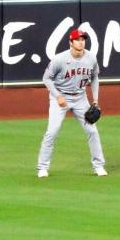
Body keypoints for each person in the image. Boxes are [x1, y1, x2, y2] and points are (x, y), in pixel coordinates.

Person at [36, 28, 105, 178]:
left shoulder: (91, 58)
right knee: (52, 132)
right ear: (70, 42)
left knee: (92, 131)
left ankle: (99, 166)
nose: (81, 42)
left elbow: (94, 78)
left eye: (83, 39)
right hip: (59, 99)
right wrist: (57, 95)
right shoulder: (59, 59)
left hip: (80, 98)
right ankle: (42, 167)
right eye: (78, 40)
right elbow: (46, 79)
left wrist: (95, 100)